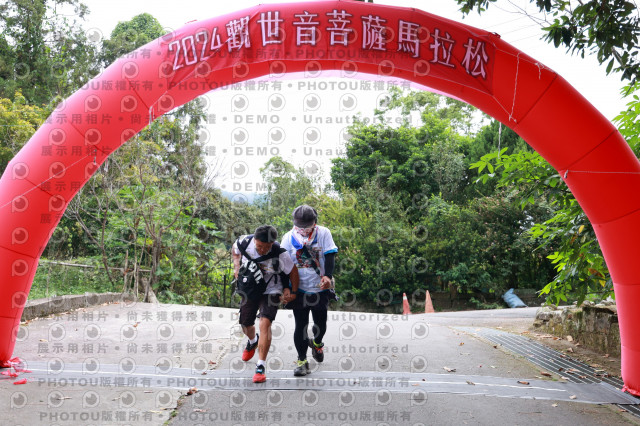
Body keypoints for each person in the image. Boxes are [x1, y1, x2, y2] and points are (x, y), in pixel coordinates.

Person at [232, 225, 299, 383]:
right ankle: (252, 341)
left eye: (266, 247)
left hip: (271, 289)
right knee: (245, 324)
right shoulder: (244, 242)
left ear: (272, 243)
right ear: (254, 240)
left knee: (265, 322)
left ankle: (260, 366)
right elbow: (235, 250)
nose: (262, 250)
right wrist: (236, 267)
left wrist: (293, 292)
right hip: (250, 288)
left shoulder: (279, 253)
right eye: (259, 246)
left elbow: (293, 271)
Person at [281, 205, 338, 376]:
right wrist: (286, 288)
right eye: (300, 226)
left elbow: (330, 255)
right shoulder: (288, 238)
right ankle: (302, 361)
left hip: (319, 288)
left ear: (314, 223)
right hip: (299, 289)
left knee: (320, 324)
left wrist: (327, 276)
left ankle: (318, 344)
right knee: (301, 325)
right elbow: (284, 265)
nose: (304, 230)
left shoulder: (323, 233)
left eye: (307, 226)